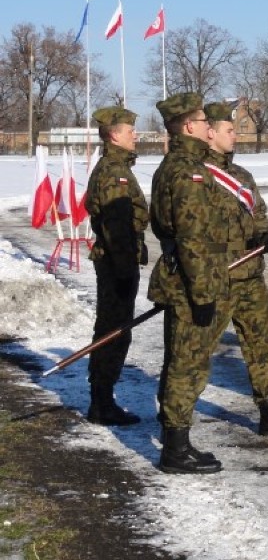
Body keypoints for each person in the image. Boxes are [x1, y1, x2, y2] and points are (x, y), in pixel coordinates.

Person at [202, 102, 268, 437]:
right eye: (229, 130)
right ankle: (175, 422)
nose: (235, 135)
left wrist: (263, 235)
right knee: (196, 352)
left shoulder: (241, 176)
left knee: (262, 346)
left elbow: (257, 213)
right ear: (210, 133)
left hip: (250, 276)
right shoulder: (195, 175)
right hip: (216, 278)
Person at [148, 92, 230, 474]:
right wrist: (202, 292)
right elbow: (192, 237)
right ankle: (175, 450)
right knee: (187, 364)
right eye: (202, 121)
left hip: (185, 279)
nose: (207, 127)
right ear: (188, 127)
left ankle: (176, 440)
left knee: (181, 361)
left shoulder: (179, 165)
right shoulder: (187, 171)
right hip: (189, 284)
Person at [84, 106, 149, 426]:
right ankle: (101, 401)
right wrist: (124, 268)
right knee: (113, 330)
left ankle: (102, 398)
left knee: (114, 328)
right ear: (114, 135)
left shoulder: (116, 167)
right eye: (129, 131)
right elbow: (115, 225)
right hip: (115, 263)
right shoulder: (114, 171)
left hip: (117, 260)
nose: (134, 135)